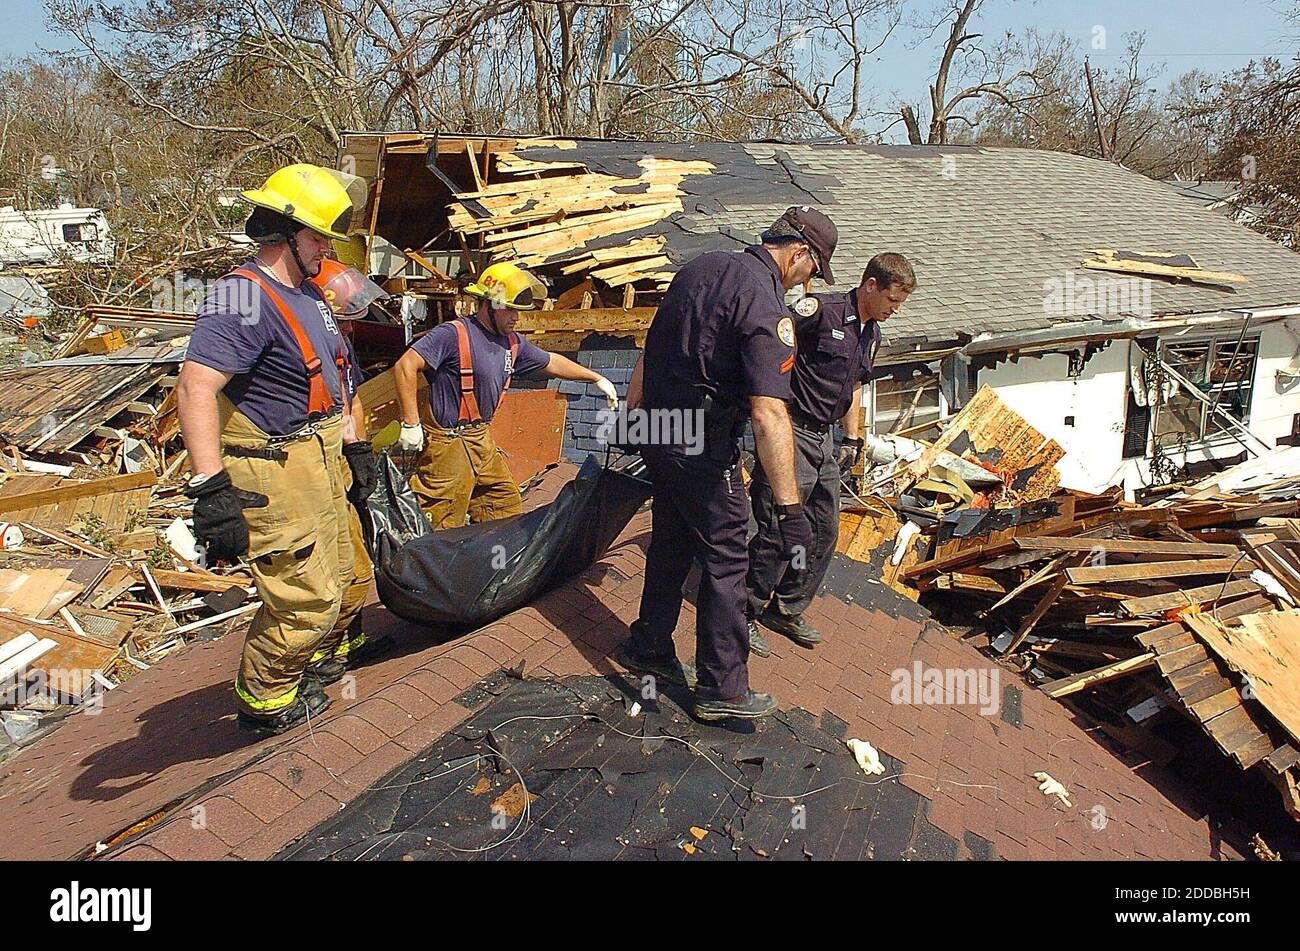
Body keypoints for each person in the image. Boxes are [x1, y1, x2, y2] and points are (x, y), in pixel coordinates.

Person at [619, 206, 838, 721]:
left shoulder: (698, 267)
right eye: (813, 270)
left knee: (672, 537)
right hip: (700, 440)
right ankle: (723, 687)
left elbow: (650, 350)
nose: (808, 283)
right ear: (800, 253)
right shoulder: (765, 304)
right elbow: (769, 413)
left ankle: (648, 645)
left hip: (657, 429)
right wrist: (790, 512)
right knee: (727, 552)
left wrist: (633, 416)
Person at [177, 163, 363, 735]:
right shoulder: (242, 298)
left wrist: (357, 453)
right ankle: (265, 700)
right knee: (306, 597)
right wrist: (211, 490)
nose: (325, 250)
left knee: (341, 573)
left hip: (319, 456)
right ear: (283, 234)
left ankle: (303, 662)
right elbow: (195, 387)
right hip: (275, 467)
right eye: (317, 238)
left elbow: (336, 376)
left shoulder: (307, 294)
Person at [746, 253, 916, 654]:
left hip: (824, 440)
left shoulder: (870, 333)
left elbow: (855, 386)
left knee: (824, 529)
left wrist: (853, 441)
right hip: (790, 431)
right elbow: (772, 336)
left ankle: (786, 608)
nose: (896, 310)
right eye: (893, 300)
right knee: (776, 529)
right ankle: (743, 613)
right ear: (871, 285)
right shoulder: (821, 311)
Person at [391, 261, 619, 530]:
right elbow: (405, 365)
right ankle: (427, 569)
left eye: (518, 311)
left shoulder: (513, 342)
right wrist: (411, 424)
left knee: (502, 503)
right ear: (488, 304)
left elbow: (551, 361)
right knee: (442, 521)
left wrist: (597, 378)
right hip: (449, 446)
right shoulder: (452, 335)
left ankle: (492, 564)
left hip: (481, 440)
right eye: (510, 309)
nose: (516, 318)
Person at [301, 258, 395, 686]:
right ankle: (313, 656)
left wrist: (357, 451)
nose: (353, 323)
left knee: (356, 562)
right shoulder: (302, 340)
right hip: (310, 471)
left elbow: (349, 398)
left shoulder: (338, 342)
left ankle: (346, 643)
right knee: (343, 573)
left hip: (339, 460)